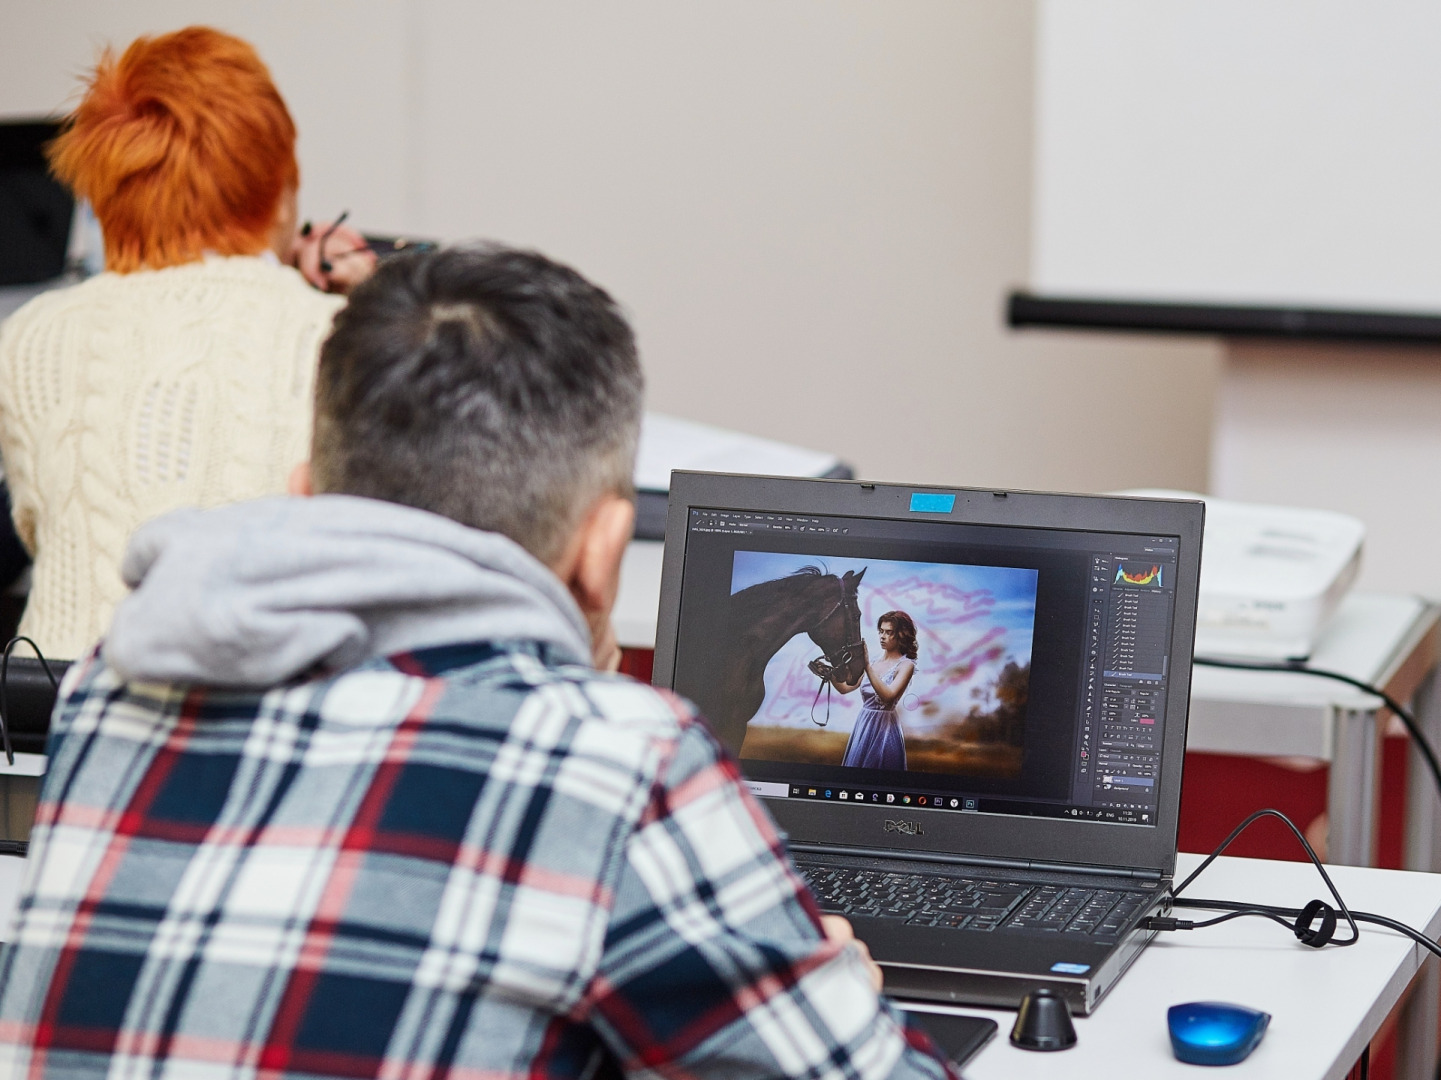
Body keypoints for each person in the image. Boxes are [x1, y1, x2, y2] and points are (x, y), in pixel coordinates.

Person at [0, 245, 956, 1080]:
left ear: (304, 493)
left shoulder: (103, 692)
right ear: (603, 547)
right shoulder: (615, 758)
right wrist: (838, 993)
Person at [0, 26, 376, 660]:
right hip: (265, 718)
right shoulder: (341, 336)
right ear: (279, 189)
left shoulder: (30, 337)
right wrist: (368, 304)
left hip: (56, 717)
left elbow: (43, 531)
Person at [835, 610, 919, 770]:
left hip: (885, 729)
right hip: (864, 724)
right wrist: (828, 674)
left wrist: (866, 666)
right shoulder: (874, 662)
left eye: (889, 632)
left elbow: (888, 696)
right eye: (881, 631)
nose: (882, 636)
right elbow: (845, 688)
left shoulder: (906, 665)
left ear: (901, 635)